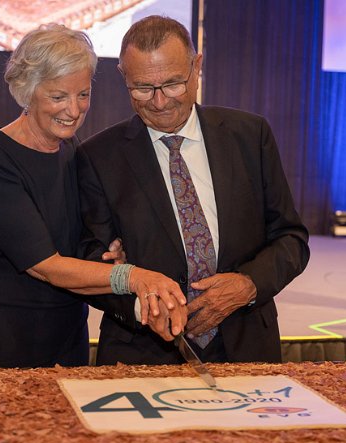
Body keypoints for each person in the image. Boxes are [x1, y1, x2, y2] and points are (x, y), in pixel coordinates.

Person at [77, 16, 310, 365]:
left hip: (247, 347)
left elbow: (292, 239)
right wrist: (141, 301)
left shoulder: (250, 136)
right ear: (124, 78)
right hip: (142, 353)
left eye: (173, 84)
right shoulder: (98, 157)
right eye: (142, 88)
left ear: (196, 68)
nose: (159, 102)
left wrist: (248, 285)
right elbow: (92, 260)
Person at [0, 24, 186, 369]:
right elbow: (46, 266)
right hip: (3, 337)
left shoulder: (70, 149)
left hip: (66, 332)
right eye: (58, 97)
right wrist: (134, 276)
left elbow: (78, 239)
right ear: (26, 91)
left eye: (83, 94)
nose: (74, 110)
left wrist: (109, 250)